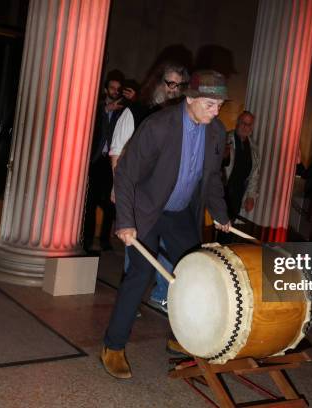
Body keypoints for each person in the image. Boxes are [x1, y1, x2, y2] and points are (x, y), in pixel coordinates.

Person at [101, 70, 231, 379]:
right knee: (141, 273)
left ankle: (181, 337)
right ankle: (113, 345)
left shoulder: (215, 132)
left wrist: (222, 215)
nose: (216, 112)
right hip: (148, 210)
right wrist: (126, 221)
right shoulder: (159, 126)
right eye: (210, 105)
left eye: (220, 105)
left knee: (191, 271)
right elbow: (127, 173)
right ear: (190, 99)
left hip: (181, 212)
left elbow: (211, 178)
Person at [109, 62, 190, 313]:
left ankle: (161, 294)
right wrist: (119, 189)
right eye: (169, 83)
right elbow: (116, 153)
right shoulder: (135, 111)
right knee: (136, 255)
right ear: (157, 82)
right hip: (138, 195)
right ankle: (129, 304)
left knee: (164, 252)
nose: (173, 90)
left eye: (179, 85)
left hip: (166, 199)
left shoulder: (180, 117)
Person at [83, 70, 133, 253]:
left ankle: (104, 239)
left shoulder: (124, 111)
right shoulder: (96, 108)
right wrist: (106, 110)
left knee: (110, 203)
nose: (115, 91)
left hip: (112, 162)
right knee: (90, 202)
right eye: (112, 88)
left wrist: (132, 100)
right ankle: (87, 239)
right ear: (105, 89)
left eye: (118, 89)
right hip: (96, 160)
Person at [218, 111, 260, 242]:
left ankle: (222, 254)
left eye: (249, 124)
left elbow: (254, 174)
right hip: (222, 191)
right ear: (237, 123)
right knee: (219, 226)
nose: (245, 127)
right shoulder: (226, 139)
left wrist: (251, 196)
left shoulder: (253, 148)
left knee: (228, 228)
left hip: (238, 194)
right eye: (243, 123)